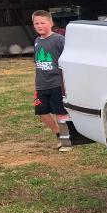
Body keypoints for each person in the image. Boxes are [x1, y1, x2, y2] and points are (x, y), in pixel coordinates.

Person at [31, 9, 72, 152]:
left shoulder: (59, 39)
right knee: (42, 111)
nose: (39, 26)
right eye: (36, 23)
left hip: (56, 84)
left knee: (60, 112)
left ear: (51, 23)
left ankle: (67, 142)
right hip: (41, 85)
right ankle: (58, 134)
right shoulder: (37, 41)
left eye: (42, 22)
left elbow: (67, 59)